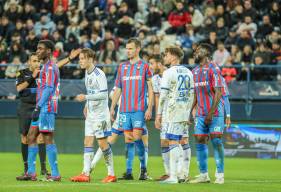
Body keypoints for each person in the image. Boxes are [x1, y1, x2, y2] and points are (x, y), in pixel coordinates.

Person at [16, 41, 80, 181]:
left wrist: (38, 107)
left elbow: (49, 88)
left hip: (46, 107)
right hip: (42, 107)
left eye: (41, 49)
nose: (38, 51)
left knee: (47, 138)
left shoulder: (50, 68)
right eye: (37, 48)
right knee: (31, 136)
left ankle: (55, 174)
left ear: (49, 51)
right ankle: (31, 172)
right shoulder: (46, 67)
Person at [70, 48, 116, 183]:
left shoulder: (99, 74)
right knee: (87, 141)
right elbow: (91, 90)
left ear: (90, 59)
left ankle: (111, 174)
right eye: (79, 59)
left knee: (102, 144)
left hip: (100, 115)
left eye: (83, 58)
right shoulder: (87, 72)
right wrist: (86, 105)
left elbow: (103, 94)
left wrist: (85, 97)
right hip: (91, 114)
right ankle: (85, 173)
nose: (80, 61)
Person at [110, 38, 153, 180]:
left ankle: (144, 169)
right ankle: (128, 172)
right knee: (128, 139)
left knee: (137, 137)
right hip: (124, 110)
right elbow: (118, 89)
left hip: (138, 109)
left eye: (130, 48)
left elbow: (151, 88)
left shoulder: (145, 66)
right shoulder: (122, 67)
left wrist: (149, 108)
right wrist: (112, 108)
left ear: (138, 49)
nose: (127, 51)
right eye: (126, 48)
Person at [155, 46, 194, 184]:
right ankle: (183, 173)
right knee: (183, 140)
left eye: (166, 55)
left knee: (173, 141)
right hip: (184, 111)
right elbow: (192, 95)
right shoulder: (189, 72)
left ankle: (173, 176)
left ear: (173, 56)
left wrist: (159, 114)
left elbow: (163, 95)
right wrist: (189, 112)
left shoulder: (168, 72)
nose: (164, 57)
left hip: (172, 111)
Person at [190, 43, 225, 184]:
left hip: (215, 113)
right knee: (199, 139)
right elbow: (195, 95)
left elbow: (219, 91)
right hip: (200, 113)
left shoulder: (214, 68)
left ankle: (220, 174)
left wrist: (210, 113)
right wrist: (189, 111)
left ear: (206, 52)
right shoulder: (194, 71)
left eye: (198, 51)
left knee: (216, 140)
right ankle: (203, 175)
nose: (195, 53)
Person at [15, 53, 48, 179]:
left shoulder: (44, 73)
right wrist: (32, 77)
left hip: (38, 107)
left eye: (38, 61)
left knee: (41, 137)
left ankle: (44, 169)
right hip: (24, 107)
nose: (37, 63)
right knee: (24, 138)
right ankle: (26, 169)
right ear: (29, 62)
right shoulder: (22, 73)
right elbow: (19, 88)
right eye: (34, 61)